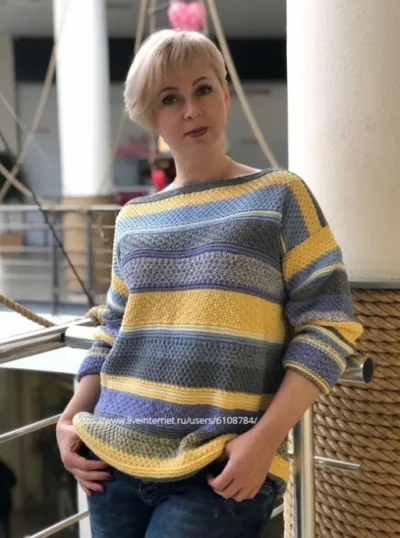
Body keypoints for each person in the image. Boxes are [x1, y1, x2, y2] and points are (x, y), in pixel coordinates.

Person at [56, 29, 363, 537]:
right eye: (169, 99)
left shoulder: (280, 196)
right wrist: (69, 419)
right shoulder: (134, 217)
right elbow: (113, 330)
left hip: (221, 464)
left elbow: (330, 324)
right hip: (111, 457)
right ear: (150, 117)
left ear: (225, 95)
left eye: (202, 89)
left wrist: (266, 440)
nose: (191, 110)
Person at [0, 460, 17, 538]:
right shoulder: (4, 467)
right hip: (5, 501)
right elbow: (14, 481)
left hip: (4, 501)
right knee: (6, 524)